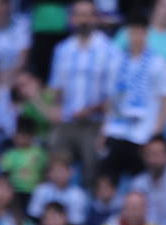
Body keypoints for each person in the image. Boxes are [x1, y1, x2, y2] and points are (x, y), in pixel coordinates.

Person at [48, 0, 121, 179]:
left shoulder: (109, 51)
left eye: (88, 15)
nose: (83, 20)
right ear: (72, 19)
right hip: (67, 121)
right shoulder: (62, 50)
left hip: (95, 123)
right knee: (55, 162)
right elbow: (56, 89)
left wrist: (97, 117)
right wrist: (55, 112)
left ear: (96, 18)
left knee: (92, 168)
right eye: (79, 15)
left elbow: (114, 96)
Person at [100, 15, 166, 180]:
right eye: (133, 32)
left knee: (141, 180)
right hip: (117, 130)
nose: (136, 37)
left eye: (140, 32)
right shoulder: (116, 62)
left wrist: (157, 132)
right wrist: (104, 129)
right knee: (107, 177)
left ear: (146, 34)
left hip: (144, 132)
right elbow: (111, 99)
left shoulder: (159, 63)